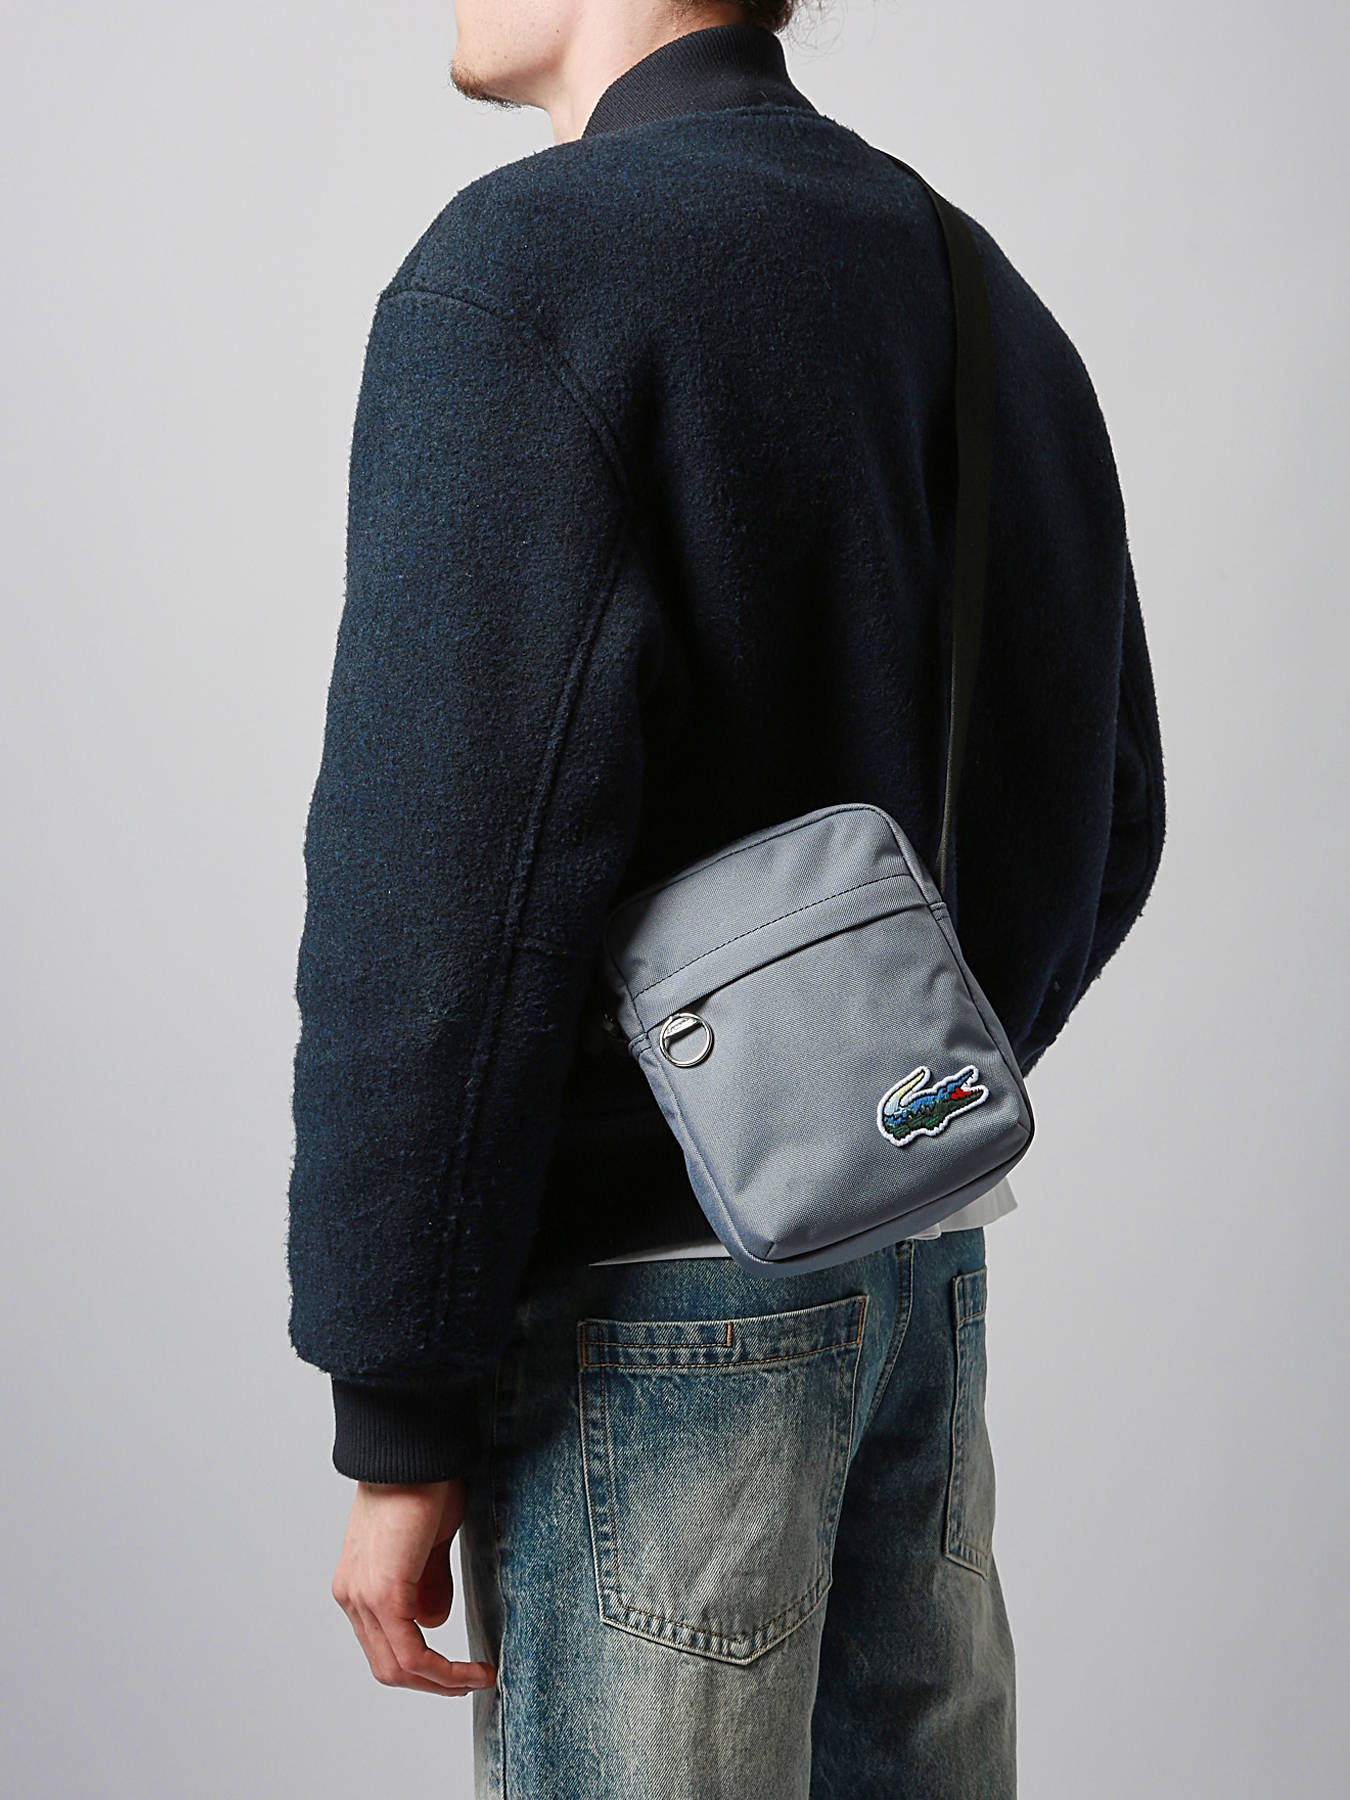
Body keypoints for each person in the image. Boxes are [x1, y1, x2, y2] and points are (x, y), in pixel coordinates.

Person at [286, 3, 1165, 1793]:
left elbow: (432, 900)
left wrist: (395, 1402)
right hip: (915, 1279)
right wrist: (875, 1110)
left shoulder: (531, 268)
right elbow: (1111, 804)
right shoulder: (964, 274)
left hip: (643, 1341)